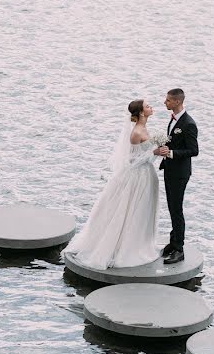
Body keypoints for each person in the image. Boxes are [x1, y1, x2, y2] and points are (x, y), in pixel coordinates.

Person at [62, 99, 163, 270]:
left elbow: (143, 155)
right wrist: (154, 151)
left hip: (147, 174)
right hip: (138, 177)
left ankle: (141, 242)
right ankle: (126, 248)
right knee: (132, 211)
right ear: (140, 113)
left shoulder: (144, 128)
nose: (151, 107)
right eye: (147, 106)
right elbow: (131, 161)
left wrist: (156, 152)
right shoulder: (136, 132)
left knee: (143, 211)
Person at [155, 88, 198, 264]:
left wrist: (171, 153)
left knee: (177, 209)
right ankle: (173, 243)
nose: (165, 103)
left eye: (168, 100)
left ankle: (179, 248)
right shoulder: (173, 119)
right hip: (170, 170)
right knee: (172, 207)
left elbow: (193, 151)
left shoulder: (188, 124)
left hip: (179, 173)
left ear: (177, 102)